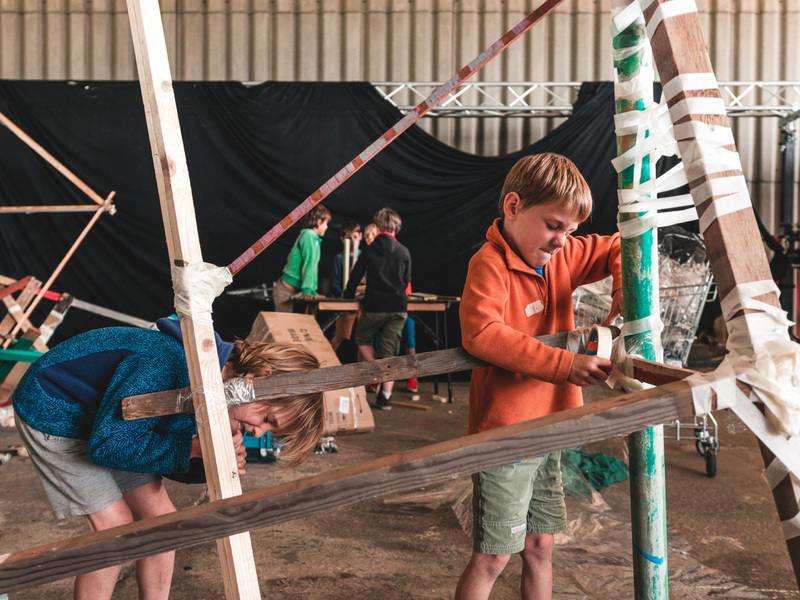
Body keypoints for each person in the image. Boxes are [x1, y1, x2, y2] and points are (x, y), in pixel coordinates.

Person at [12, 316, 325, 600]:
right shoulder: (168, 365)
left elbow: (167, 461)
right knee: (115, 529)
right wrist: (192, 448)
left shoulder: (212, 390)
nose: (259, 433)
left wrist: (209, 457)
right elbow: (107, 447)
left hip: (112, 426)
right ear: (254, 380)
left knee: (162, 521)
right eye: (268, 419)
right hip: (55, 408)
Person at [455, 153, 622, 600]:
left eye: (569, 230)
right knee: (493, 556)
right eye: (552, 225)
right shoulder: (489, 264)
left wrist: (622, 298)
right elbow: (482, 335)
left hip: (549, 430)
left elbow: (620, 246)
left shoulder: (563, 256)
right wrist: (565, 365)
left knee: (541, 545)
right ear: (512, 207)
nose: (562, 241)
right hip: (505, 435)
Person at [343, 208, 412, 410]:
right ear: (396, 228)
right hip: (398, 308)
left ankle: (375, 367)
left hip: (374, 307)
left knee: (362, 337)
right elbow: (406, 280)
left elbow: (354, 277)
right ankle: (386, 397)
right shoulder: (403, 251)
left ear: (377, 226)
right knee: (390, 353)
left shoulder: (369, 251)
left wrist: (347, 297)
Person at [273, 204, 331, 312]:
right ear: (319, 222)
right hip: (285, 291)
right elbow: (308, 264)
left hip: (294, 291)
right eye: (326, 223)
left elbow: (313, 267)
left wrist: (312, 292)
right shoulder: (309, 236)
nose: (327, 227)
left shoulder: (314, 239)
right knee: (283, 325)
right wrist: (307, 291)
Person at [330, 221, 363, 351]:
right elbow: (334, 284)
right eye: (349, 238)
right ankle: (326, 363)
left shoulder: (365, 256)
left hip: (362, 303)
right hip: (346, 303)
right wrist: (344, 294)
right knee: (339, 336)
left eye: (355, 237)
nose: (353, 241)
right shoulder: (340, 258)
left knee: (364, 340)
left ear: (360, 236)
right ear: (342, 239)